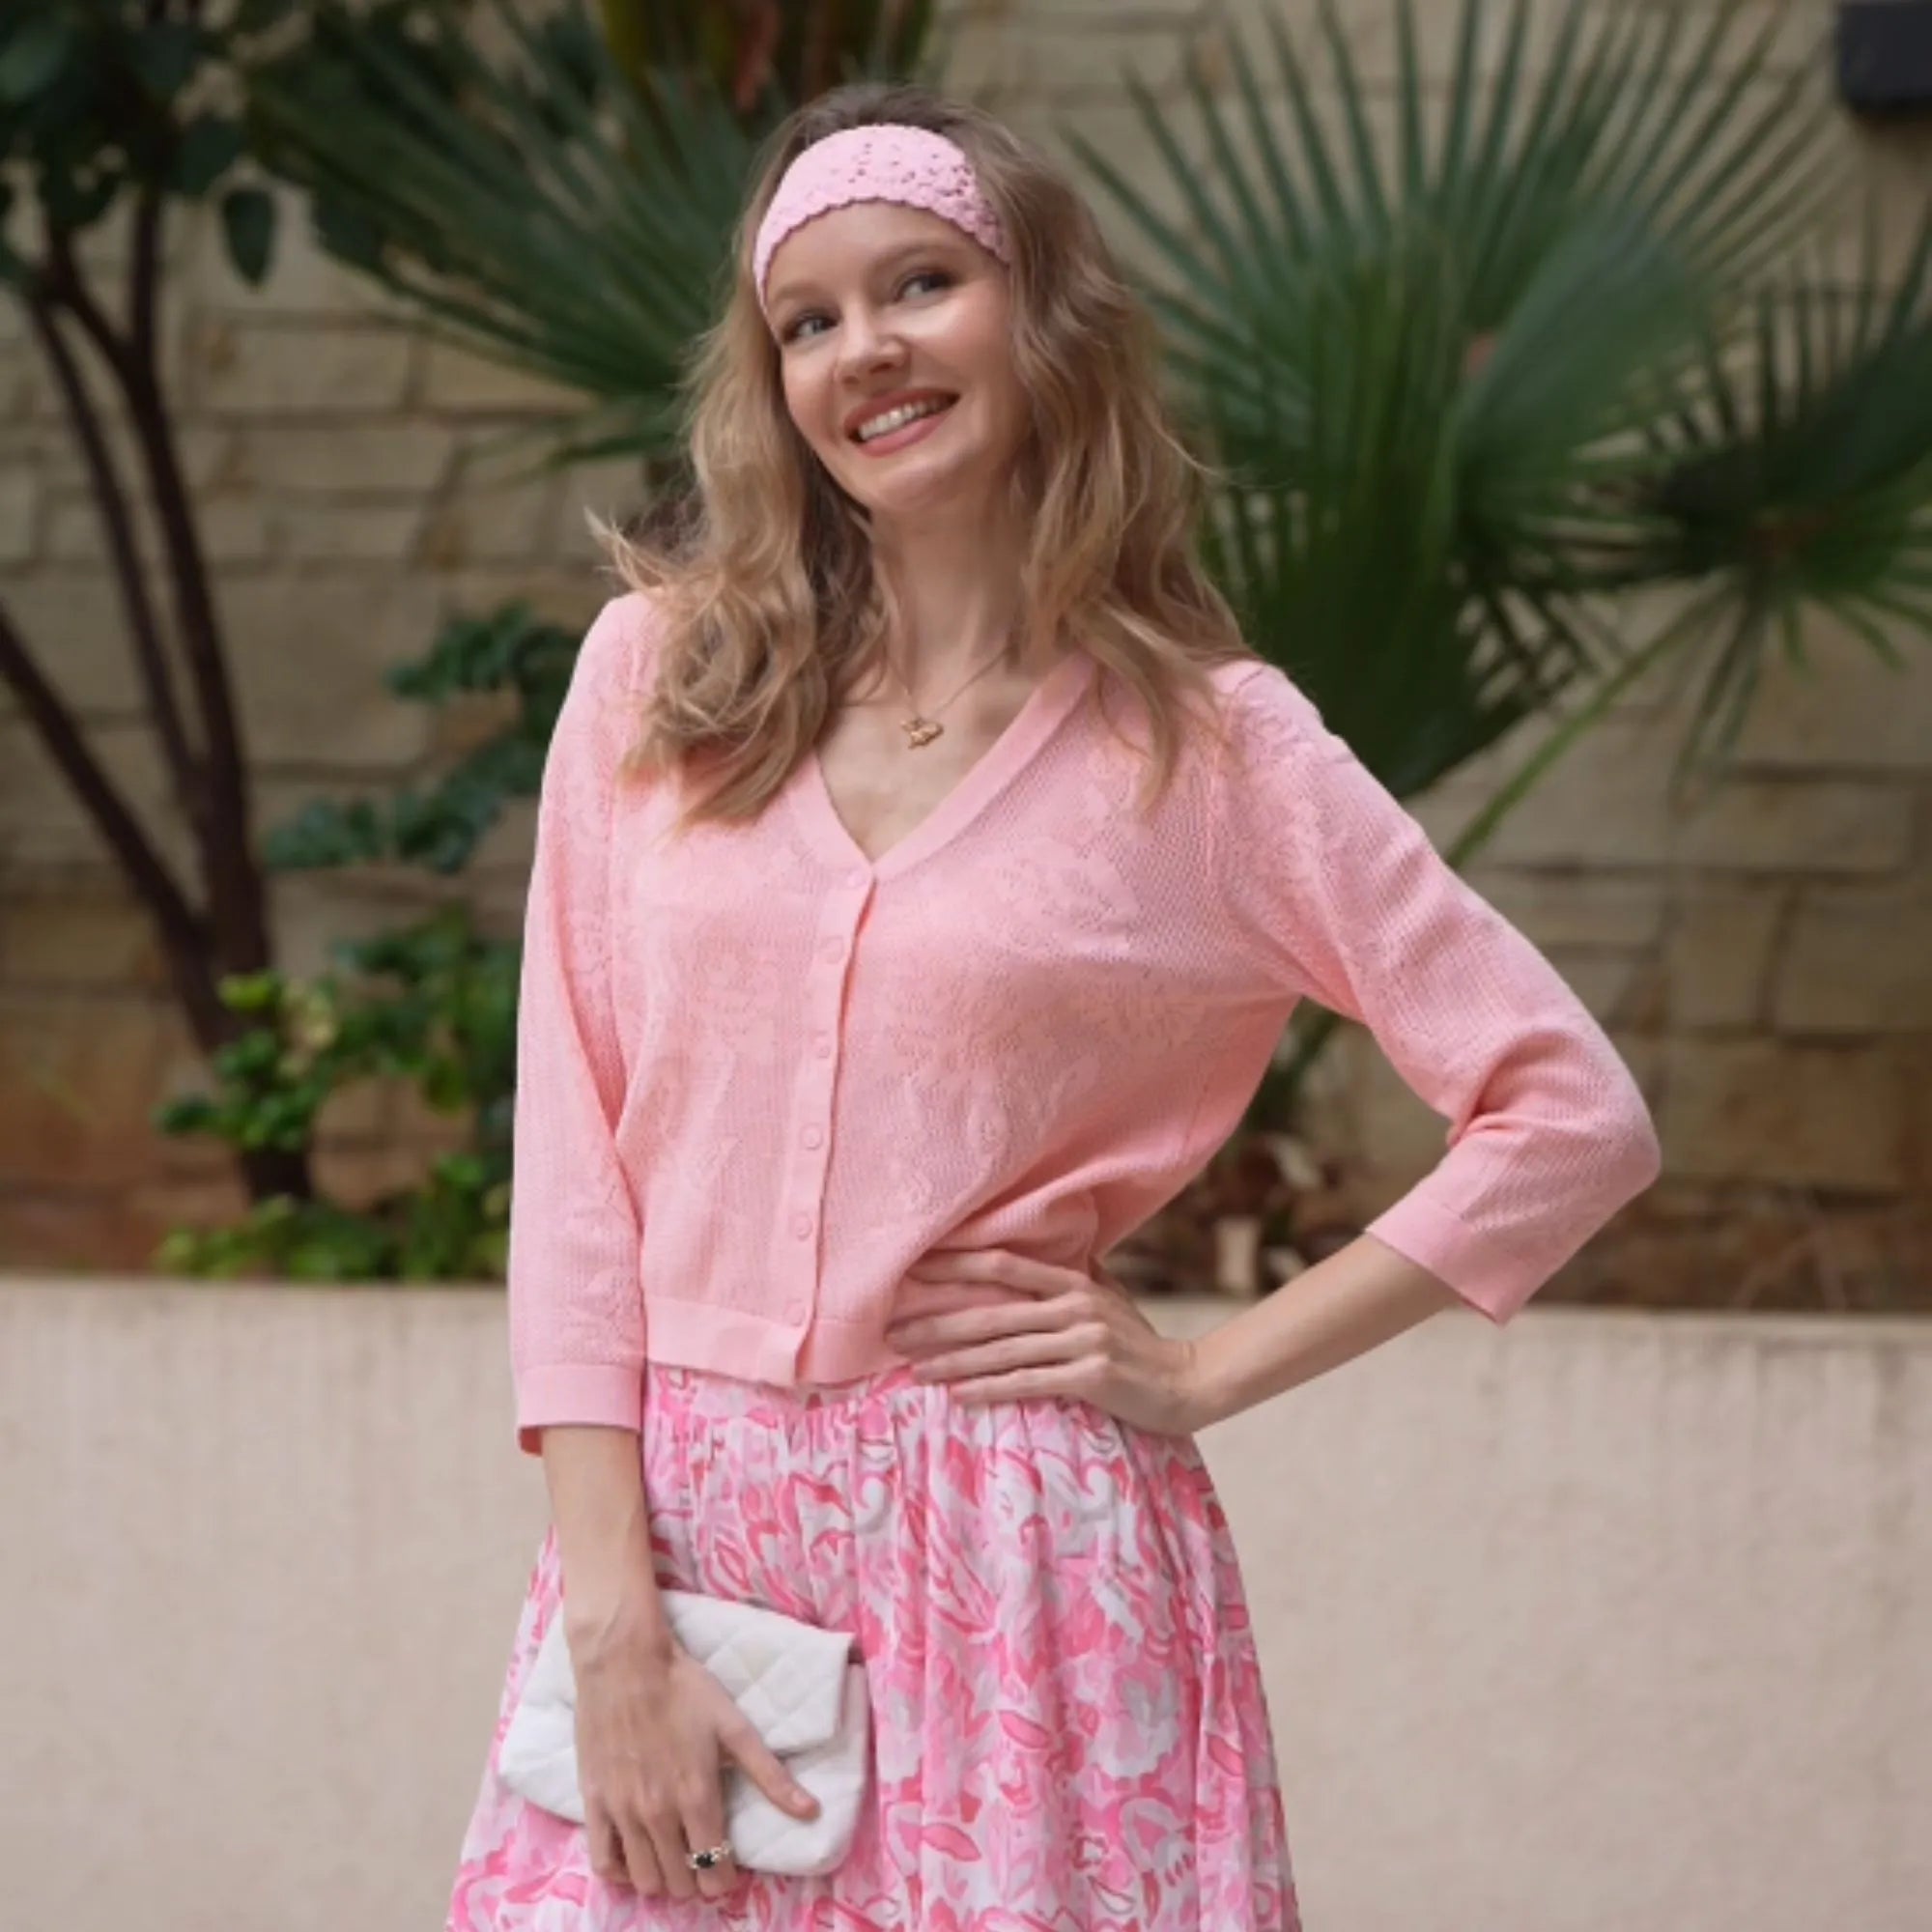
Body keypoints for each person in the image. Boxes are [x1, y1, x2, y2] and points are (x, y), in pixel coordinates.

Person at [445, 80, 1662, 1932]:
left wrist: (1205, 1374)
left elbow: (1568, 1114)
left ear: (1044, 317)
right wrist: (611, 1619)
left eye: (921, 284)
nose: (866, 349)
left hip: (1022, 1576)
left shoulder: (1211, 751)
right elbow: (574, 1168)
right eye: (808, 320)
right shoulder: (659, 684)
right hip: (677, 1553)